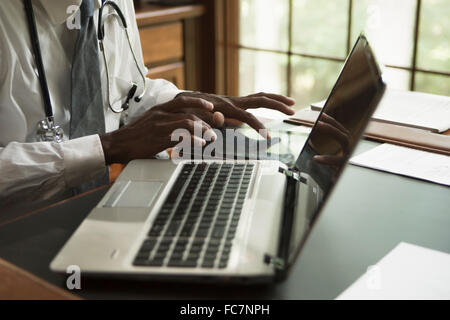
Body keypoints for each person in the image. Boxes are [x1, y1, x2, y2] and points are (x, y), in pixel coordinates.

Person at [0, 0, 295, 208]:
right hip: (15, 233)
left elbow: (128, 87)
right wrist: (107, 147)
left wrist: (183, 103)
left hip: (103, 204)